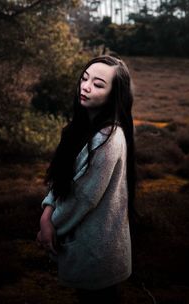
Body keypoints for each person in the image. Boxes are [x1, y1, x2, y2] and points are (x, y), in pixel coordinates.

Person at [36, 55, 136, 303]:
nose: (86, 86)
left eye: (99, 84)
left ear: (114, 94)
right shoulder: (81, 128)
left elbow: (83, 197)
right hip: (86, 247)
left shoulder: (107, 139)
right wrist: (46, 212)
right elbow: (62, 180)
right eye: (84, 78)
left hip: (100, 254)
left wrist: (49, 227)